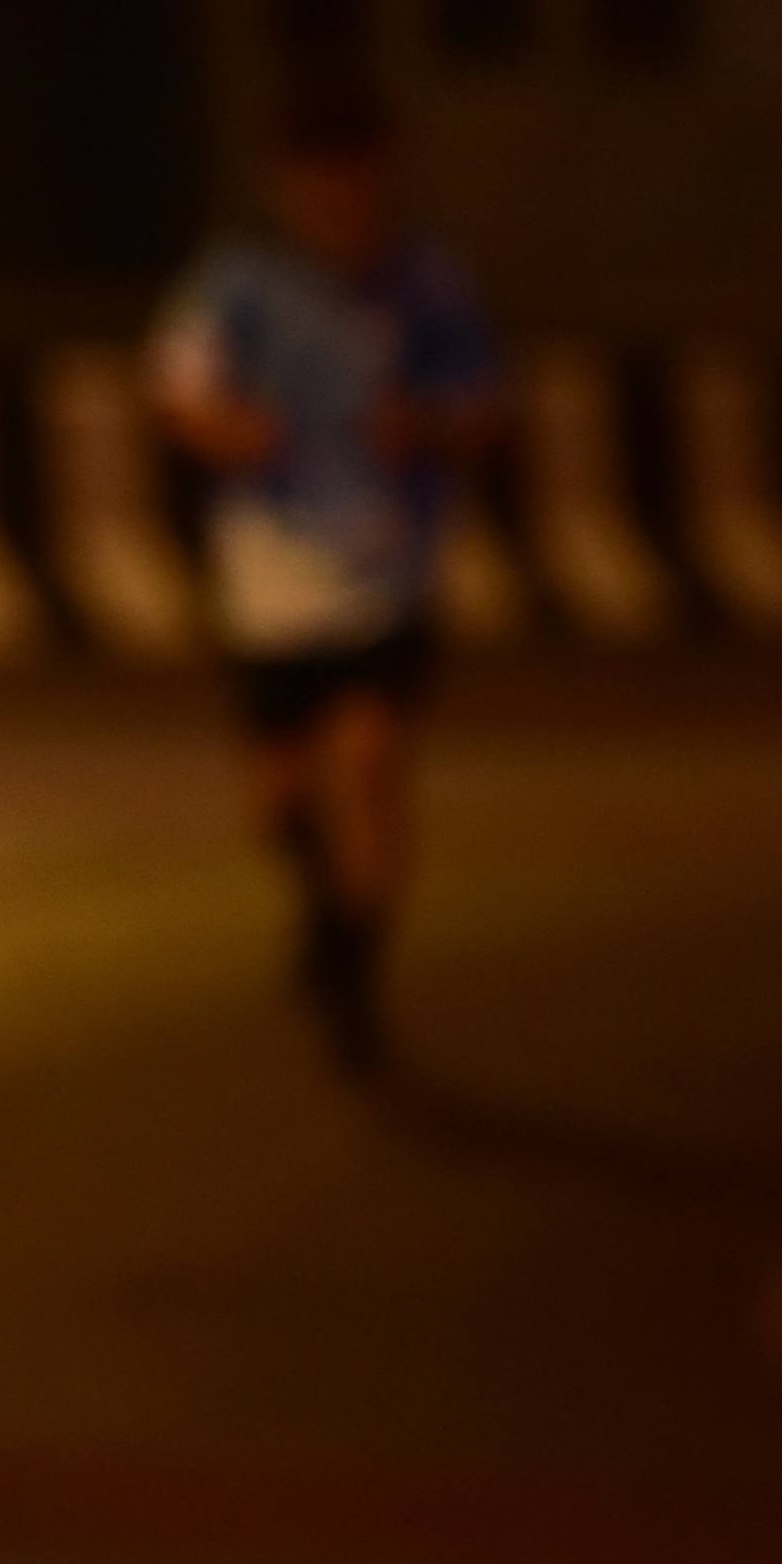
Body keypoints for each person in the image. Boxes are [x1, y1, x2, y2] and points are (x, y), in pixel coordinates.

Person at [148, 88, 505, 1075]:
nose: (337, 195)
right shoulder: (242, 280)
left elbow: (484, 401)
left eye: (354, 171)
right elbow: (176, 388)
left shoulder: (425, 283)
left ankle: (354, 969)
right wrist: (227, 429)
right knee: (281, 799)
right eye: (317, 175)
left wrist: (427, 425)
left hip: (387, 569)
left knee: (370, 758)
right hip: (269, 579)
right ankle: (327, 911)